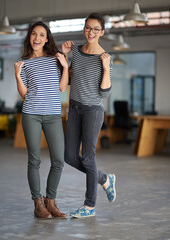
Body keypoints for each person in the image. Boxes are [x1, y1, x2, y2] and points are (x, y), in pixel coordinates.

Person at [62, 13, 116, 218]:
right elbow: (66, 81)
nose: (90, 32)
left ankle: (90, 206)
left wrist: (105, 68)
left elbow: (105, 93)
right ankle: (104, 179)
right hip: (74, 108)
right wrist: (65, 56)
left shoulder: (105, 58)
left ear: (101, 32)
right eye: (87, 27)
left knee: (88, 157)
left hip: (93, 110)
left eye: (95, 29)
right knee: (69, 156)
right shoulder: (75, 50)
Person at [14, 22, 68, 219]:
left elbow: (62, 88)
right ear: (30, 37)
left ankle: (50, 201)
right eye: (33, 34)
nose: (37, 38)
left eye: (41, 35)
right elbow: (23, 94)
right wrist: (17, 75)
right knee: (34, 160)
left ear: (47, 39)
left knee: (58, 160)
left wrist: (65, 66)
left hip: (53, 115)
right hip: (32, 114)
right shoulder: (23, 62)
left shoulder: (55, 59)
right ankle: (38, 204)